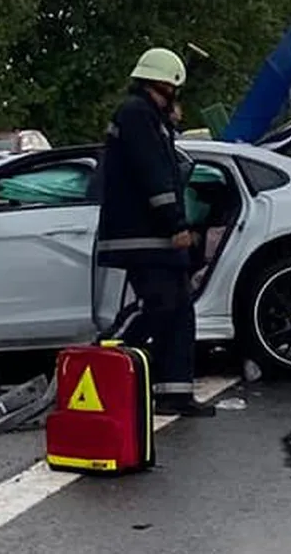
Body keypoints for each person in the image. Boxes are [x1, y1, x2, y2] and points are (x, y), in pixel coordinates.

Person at [95, 47, 215, 418]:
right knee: (159, 306)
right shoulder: (136, 114)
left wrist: (169, 125)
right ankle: (103, 358)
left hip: (152, 236)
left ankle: (174, 391)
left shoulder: (147, 116)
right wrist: (175, 224)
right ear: (167, 83)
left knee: (179, 309)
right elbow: (153, 173)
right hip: (144, 236)